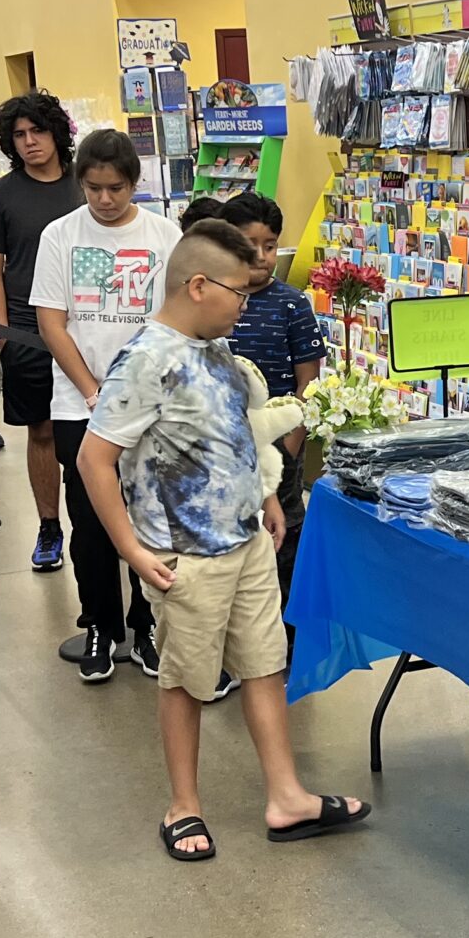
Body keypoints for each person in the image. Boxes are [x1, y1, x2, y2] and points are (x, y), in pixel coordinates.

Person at [77, 221, 370, 861]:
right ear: (199, 285)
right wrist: (132, 549)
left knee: (265, 663)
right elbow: (93, 459)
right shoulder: (147, 359)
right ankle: (183, 806)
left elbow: (235, 432)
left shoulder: (215, 350)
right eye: (240, 291)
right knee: (185, 680)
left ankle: (286, 794)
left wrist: (265, 497)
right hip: (184, 556)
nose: (247, 303)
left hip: (245, 544)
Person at [33, 128, 181, 682]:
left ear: (134, 183)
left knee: (150, 516)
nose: (104, 200)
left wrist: (141, 391)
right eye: (93, 188)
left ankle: (146, 623)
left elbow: (173, 320)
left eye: (115, 188)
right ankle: (100, 622)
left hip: (153, 405)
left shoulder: (165, 235)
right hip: (80, 402)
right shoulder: (60, 236)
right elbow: (52, 322)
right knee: (90, 518)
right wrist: (95, 391)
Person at [0, 93, 82, 573]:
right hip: (27, 331)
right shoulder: (1, 195)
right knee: (41, 431)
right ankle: (48, 525)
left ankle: (106, 520)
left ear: (56, 132)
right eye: (18, 135)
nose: (29, 142)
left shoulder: (87, 184)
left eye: (36, 131)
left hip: (89, 327)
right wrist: (1, 332)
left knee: (99, 429)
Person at [217, 191, 323, 604]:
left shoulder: (292, 304)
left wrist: (289, 450)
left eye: (270, 245)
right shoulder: (213, 299)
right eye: (249, 245)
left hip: (279, 445)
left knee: (283, 535)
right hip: (221, 448)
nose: (261, 256)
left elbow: (309, 384)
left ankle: (285, 636)